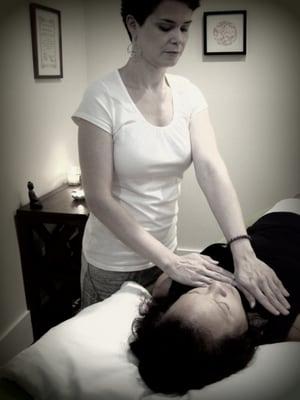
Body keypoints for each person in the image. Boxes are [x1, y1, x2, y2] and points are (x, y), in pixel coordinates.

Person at [72, 0, 289, 313]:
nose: (179, 38)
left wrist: (242, 247)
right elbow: (98, 198)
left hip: (167, 253)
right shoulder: (102, 96)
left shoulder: (188, 93)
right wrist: (170, 261)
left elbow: (211, 168)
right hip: (114, 261)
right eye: (165, 26)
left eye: (185, 27)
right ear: (133, 25)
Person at [129, 196, 300, 394]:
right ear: (238, 341)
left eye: (198, 290)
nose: (216, 286)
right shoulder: (284, 323)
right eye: (223, 306)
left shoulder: (169, 286)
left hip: (277, 216)